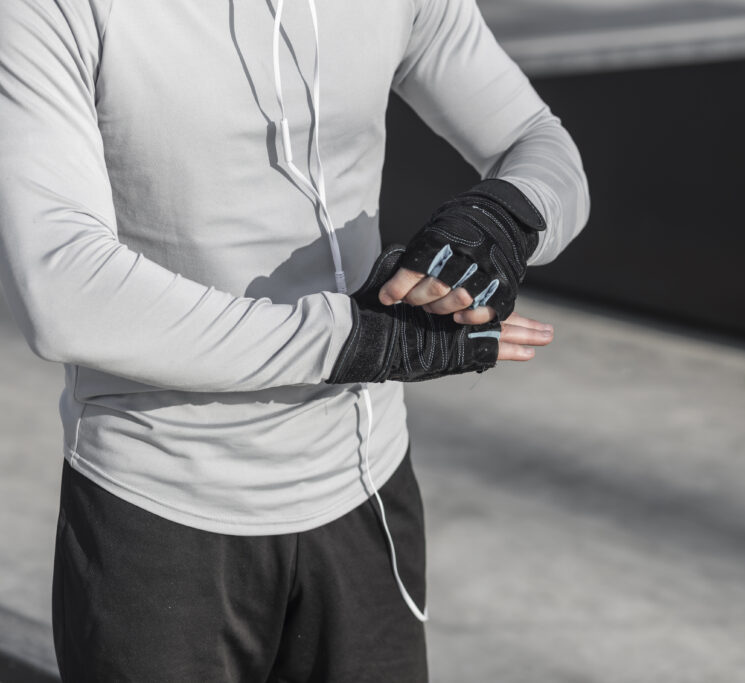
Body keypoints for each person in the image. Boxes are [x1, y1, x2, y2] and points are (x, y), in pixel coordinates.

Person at [0, 0, 589, 680]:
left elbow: (539, 141)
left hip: (367, 493)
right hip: (161, 515)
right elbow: (63, 291)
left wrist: (506, 217)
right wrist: (353, 341)